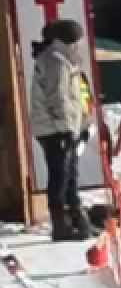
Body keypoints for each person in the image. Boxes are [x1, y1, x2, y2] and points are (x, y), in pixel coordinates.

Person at [30, 19, 95, 241]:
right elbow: (58, 98)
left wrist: (81, 126)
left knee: (70, 174)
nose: (79, 45)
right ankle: (60, 225)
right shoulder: (56, 61)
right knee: (59, 175)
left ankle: (76, 219)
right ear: (68, 40)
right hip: (55, 128)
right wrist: (66, 129)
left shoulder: (65, 60)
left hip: (65, 127)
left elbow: (75, 98)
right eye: (76, 40)